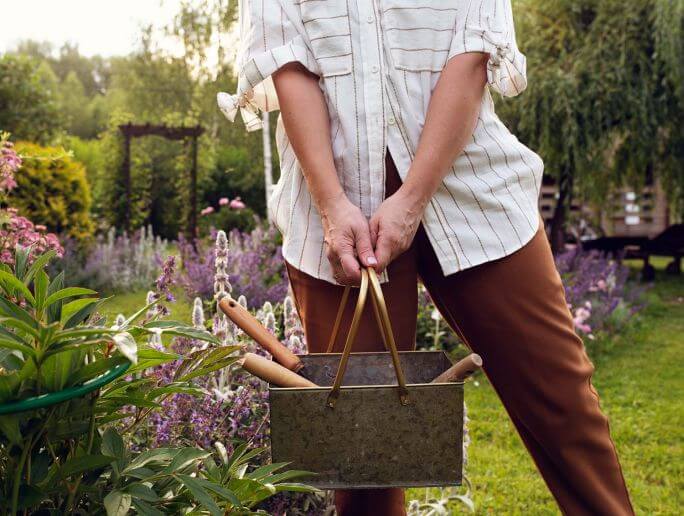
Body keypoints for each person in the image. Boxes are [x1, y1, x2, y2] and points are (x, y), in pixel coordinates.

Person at [218, 0, 635, 514]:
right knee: (363, 453)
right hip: (335, 209)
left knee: (563, 408)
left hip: (476, 194)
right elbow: (288, 65)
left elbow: (474, 52)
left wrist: (412, 198)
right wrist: (331, 205)